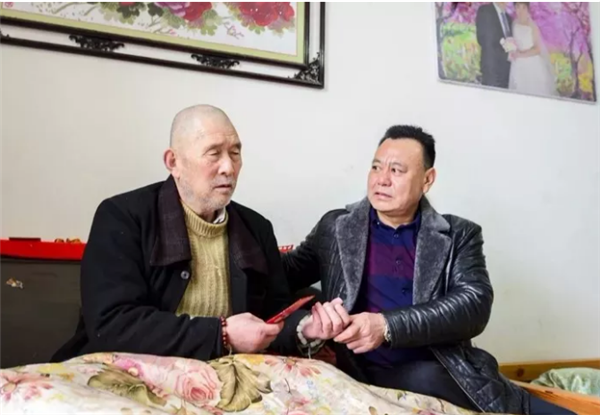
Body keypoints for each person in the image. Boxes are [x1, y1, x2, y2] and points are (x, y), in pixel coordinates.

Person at [283, 125, 575, 415]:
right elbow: (282, 276)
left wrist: (386, 326)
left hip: (444, 372)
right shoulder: (336, 227)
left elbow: (474, 304)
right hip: (364, 372)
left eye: (396, 170)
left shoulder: (458, 234)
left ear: (427, 179)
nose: (382, 179)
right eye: (376, 167)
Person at [52, 104, 332, 362]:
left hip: (224, 374)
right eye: (214, 153)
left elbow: (273, 318)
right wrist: (221, 334)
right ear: (173, 162)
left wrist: (304, 328)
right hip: (130, 367)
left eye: (235, 153)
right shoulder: (123, 217)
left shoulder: (257, 228)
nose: (229, 167)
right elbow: (112, 324)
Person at [508, 2, 557, 96]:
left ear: (527, 9)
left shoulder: (532, 25)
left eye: (523, 7)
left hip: (532, 64)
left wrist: (521, 55)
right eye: (518, 7)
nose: (520, 11)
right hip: (518, 63)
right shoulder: (514, 23)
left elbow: (538, 49)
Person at [476, 2, 513, 88]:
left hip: (507, 72)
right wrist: (505, 56)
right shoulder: (486, 11)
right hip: (492, 70)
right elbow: (485, 41)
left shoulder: (508, 18)